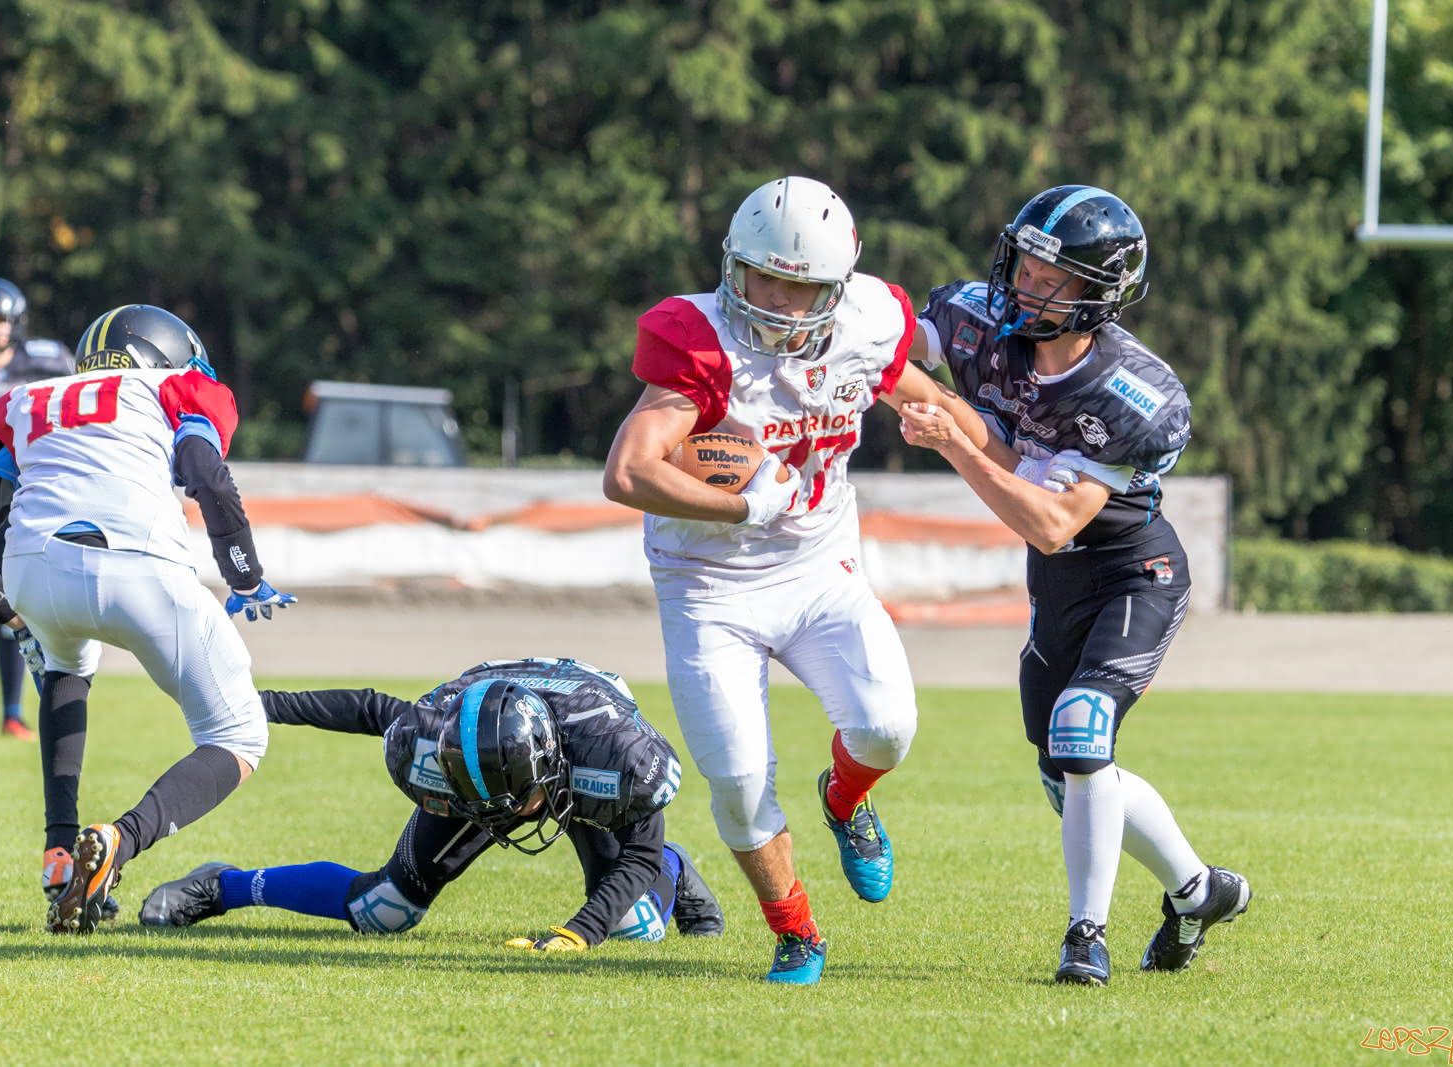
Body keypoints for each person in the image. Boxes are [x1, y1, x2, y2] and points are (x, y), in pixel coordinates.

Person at [602, 175, 1016, 984]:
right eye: (764, 277)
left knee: (888, 727)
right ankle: (796, 930)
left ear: (838, 287)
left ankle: (844, 798)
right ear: (734, 265)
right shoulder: (701, 340)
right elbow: (627, 472)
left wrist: (1006, 463)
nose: (778, 301)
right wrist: (744, 505)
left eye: (800, 286)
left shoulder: (869, 320)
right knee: (736, 779)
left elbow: (920, 389)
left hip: (818, 563)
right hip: (708, 581)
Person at [899, 184, 1251, 986]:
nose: (1024, 285)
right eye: (1023, 264)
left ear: (1097, 294)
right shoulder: (977, 320)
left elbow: (1053, 522)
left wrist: (952, 440)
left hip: (1133, 570)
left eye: (1049, 277)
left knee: (1082, 727)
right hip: (1057, 583)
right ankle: (1199, 891)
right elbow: (896, 354)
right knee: (1069, 774)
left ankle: (1085, 936)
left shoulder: (1135, 394)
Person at [0, 303, 297, 934]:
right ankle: (120, 840)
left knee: (64, 665)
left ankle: (59, 856)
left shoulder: (26, 399)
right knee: (240, 734)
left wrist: (13, 618)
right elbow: (206, 478)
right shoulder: (176, 386)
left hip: (32, 567)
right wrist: (246, 576)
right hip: (137, 562)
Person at [139, 658, 725, 949]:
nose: (500, 817)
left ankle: (678, 866)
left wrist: (578, 934)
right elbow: (368, 709)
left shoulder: (616, 758)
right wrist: (259, 706)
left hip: (572, 761)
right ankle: (221, 886)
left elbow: (636, 856)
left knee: (635, 925)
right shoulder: (436, 730)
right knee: (383, 911)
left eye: (513, 801)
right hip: (504, 747)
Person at [0, 276, 75, 740]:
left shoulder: (47, 363)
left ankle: (12, 713)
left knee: (15, 609)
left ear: (17, 324)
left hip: (17, 508)